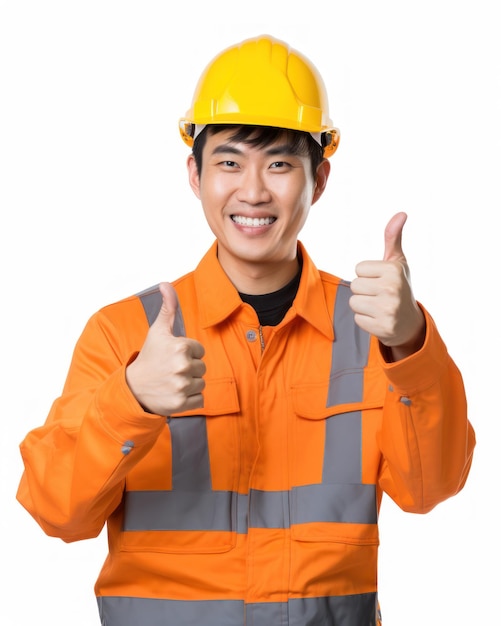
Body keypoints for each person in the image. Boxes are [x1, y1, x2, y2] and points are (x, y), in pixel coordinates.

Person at [17, 34, 475, 626]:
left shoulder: (374, 331)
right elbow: (57, 513)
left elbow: (430, 489)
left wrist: (411, 343)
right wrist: (130, 400)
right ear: (195, 174)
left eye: (280, 163)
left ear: (320, 178)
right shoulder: (123, 332)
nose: (253, 190)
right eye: (229, 161)